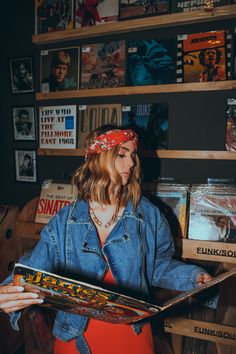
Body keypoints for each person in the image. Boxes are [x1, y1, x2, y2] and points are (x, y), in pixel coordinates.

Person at [0, 125, 213, 354]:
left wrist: (194, 277)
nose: (131, 163)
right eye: (122, 154)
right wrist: (8, 291)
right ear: (98, 157)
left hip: (131, 338)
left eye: (132, 155)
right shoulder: (64, 221)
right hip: (76, 339)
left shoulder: (148, 216)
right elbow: (33, 266)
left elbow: (158, 266)